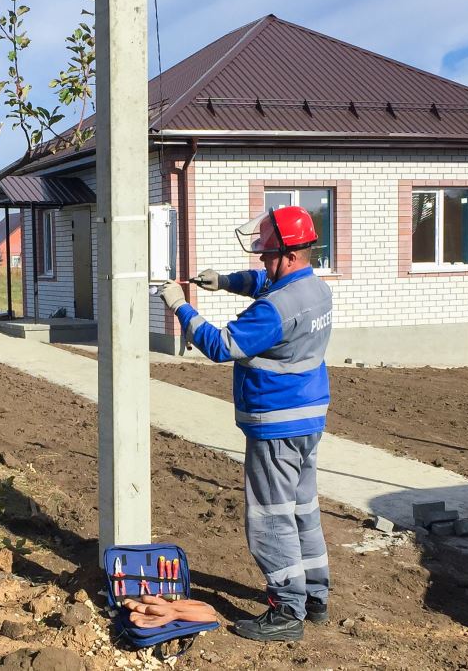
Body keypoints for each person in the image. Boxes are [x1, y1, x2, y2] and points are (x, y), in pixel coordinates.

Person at [157, 205, 333, 643]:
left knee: (271, 517)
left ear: (290, 255)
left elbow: (221, 345)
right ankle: (315, 596)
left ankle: (287, 609)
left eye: (267, 256)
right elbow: (264, 284)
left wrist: (181, 307)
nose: (262, 263)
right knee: (302, 510)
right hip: (308, 418)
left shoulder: (274, 311)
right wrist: (225, 282)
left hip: (275, 424)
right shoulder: (314, 288)